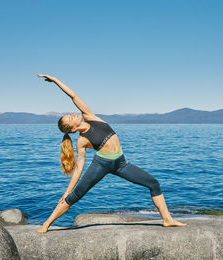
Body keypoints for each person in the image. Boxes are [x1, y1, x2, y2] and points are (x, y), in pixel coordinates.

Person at [37, 74, 187, 233]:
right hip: (101, 165)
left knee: (153, 183)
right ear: (72, 129)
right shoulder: (81, 141)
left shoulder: (90, 116)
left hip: (121, 163)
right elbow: (79, 168)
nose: (73, 114)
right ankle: (47, 224)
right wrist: (67, 190)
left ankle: (167, 219)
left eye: (70, 114)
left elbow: (73, 95)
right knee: (74, 196)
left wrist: (55, 81)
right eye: (70, 118)